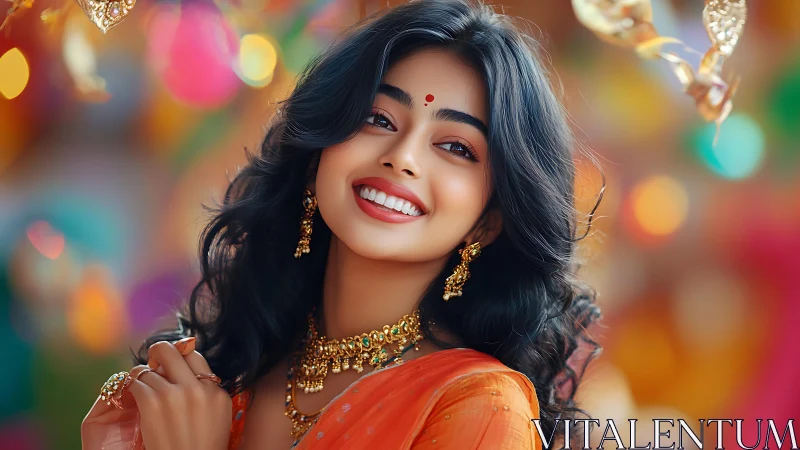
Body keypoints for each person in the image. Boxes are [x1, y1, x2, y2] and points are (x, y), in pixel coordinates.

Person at [81, 0, 604, 448]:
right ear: (317, 157)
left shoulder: (480, 407)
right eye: (379, 119)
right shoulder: (226, 371)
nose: (403, 157)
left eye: (455, 147)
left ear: (488, 221)